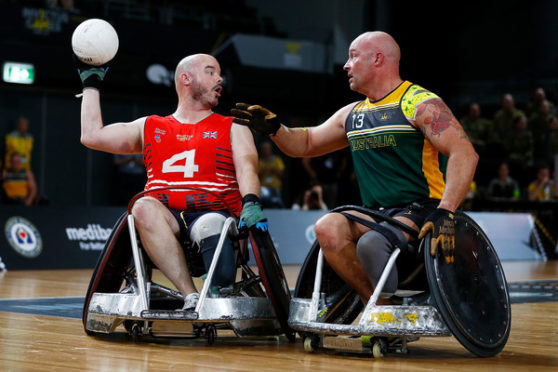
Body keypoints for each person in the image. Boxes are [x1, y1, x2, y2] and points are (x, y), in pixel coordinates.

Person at [232, 31, 478, 304]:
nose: (345, 65)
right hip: (380, 213)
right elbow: (307, 142)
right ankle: (379, 306)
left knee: (373, 243)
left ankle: (383, 310)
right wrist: (276, 129)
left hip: (424, 207)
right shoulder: (353, 113)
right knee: (327, 226)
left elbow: (465, 153)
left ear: (377, 59)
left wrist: (447, 212)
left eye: (353, 56)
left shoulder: (420, 103)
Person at [77, 53, 266, 313]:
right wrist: (91, 86)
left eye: (219, 73)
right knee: (142, 206)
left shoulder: (234, 126)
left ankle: (216, 292)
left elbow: (247, 169)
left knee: (211, 223)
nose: (219, 78)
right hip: (165, 219)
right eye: (210, 72)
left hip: (215, 216)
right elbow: (92, 136)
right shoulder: (150, 126)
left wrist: (251, 202)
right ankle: (190, 296)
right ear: (186, 79)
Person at [257, 141, 285, 208]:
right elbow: (256, 176)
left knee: (277, 206)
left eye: (267, 148)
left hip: (275, 189)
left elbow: (282, 173)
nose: (266, 150)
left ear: (270, 149)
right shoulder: (260, 162)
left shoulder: (277, 160)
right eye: (264, 149)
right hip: (263, 190)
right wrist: (263, 170)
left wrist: (273, 169)